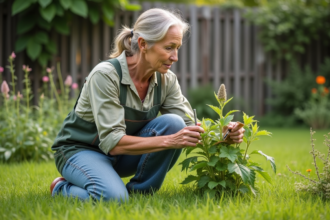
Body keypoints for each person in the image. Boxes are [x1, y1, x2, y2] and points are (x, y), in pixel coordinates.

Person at [50, 8, 245, 203]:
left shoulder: (166, 80)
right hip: (80, 151)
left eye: (177, 48)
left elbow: (189, 126)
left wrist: (224, 135)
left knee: (175, 123)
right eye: (169, 47)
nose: (175, 57)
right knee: (113, 199)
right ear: (143, 44)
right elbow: (113, 142)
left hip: (122, 155)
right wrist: (171, 141)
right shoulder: (106, 75)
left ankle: (140, 193)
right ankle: (60, 187)